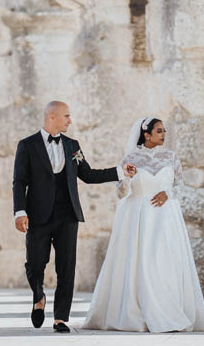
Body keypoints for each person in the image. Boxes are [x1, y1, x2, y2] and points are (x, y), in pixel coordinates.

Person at [12, 101, 136, 333]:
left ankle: (61, 318)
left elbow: (87, 175)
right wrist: (20, 211)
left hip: (68, 214)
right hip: (37, 216)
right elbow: (19, 181)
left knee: (66, 267)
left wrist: (120, 171)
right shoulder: (27, 145)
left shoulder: (72, 145)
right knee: (35, 263)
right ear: (52, 116)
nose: (70, 120)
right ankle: (39, 297)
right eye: (66, 116)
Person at [83, 117, 204, 332]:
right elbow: (121, 192)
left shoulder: (171, 157)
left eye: (165, 131)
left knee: (164, 261)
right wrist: (127, 179)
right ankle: (142, 312)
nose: (164, 134)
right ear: (147, 134)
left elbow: (180, 185)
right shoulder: (131, 158)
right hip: (139, 219)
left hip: (166, 218)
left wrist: (168, 193)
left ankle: (169, 310)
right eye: (159, 131)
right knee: (142, 262)